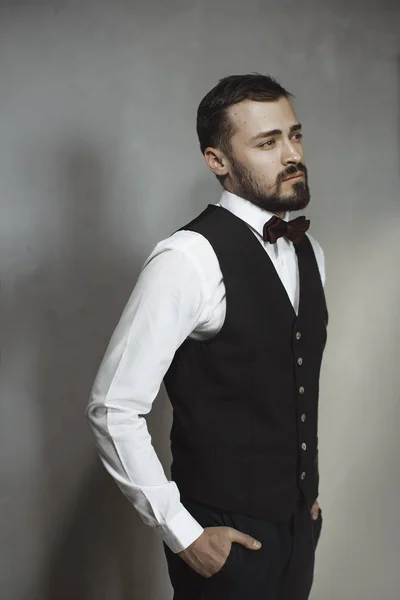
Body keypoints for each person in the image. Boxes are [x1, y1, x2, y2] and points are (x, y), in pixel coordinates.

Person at [86, 73, 328, 600]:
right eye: (267, 142)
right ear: (217, 160)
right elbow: (113, 407)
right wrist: (183, 533)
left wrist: (303, 500)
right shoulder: (187, 259)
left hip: (298, 531)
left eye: (295, 135)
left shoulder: (311, 254)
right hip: (223, 540)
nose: (291, 154)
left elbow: (292, 386)